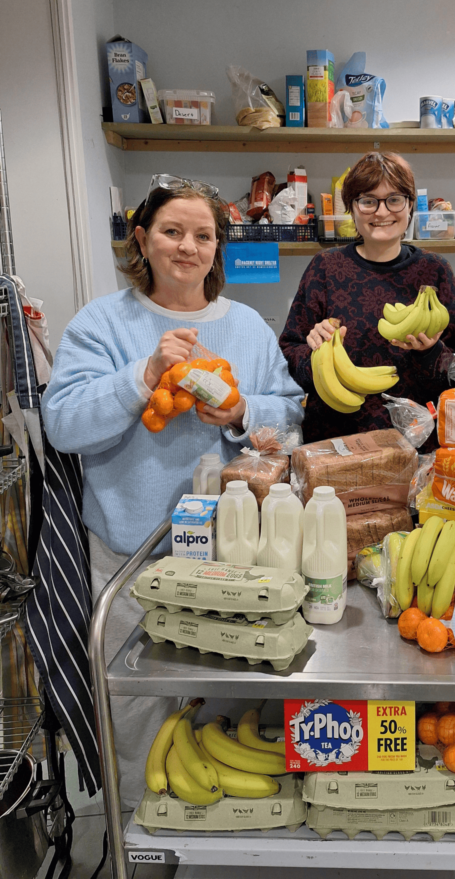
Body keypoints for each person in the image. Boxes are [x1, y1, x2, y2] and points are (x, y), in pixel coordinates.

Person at [42, 174, 304, 805]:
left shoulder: (245, 325)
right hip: (128, 554)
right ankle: (139, 822)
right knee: (135, 703)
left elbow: (292, 417)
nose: (188, 246)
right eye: (172, 231)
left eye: (204, 236)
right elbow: (63, 423)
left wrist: (243, 414)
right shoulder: (102, 323)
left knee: (232, 694)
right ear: (142, 239)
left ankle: (232, 822)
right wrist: (144, 375)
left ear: (219, 249)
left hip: (233, 557)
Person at [279, 152, 455, 450]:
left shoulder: (435, 271)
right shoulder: (325, 267)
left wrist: (430, 353)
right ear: (352, 208)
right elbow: (288, 353)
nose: (381, 212)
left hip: (416, 442)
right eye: (367, 200)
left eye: (394, 199)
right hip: (335, 439)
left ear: (410, 205)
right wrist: (314, 351)